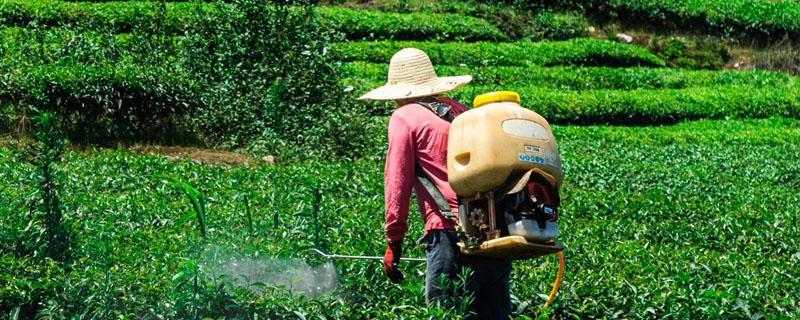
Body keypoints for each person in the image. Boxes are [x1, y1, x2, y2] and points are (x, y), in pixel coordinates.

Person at [358, 48, 513, 320]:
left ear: (399, 91)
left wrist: (394, 242)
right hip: (492, 232)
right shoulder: (460, 111)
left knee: (444, 314)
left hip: (449, 233)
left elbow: (397, 182)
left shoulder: (404, 118)